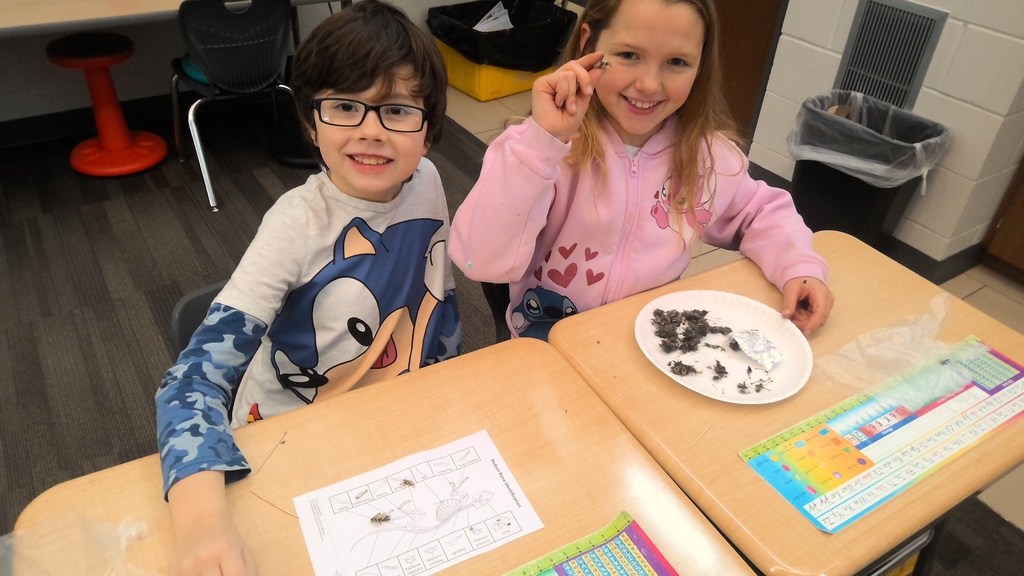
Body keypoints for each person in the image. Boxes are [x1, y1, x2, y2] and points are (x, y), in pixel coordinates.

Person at [155, 2, 460, 574]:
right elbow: (191, 383)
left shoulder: (428, 183)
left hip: (392, 422)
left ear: (430, 131)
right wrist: (203, 528)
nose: (370, 130)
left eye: (396, 110)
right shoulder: (294, 225)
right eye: (345, 106)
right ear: (310, 121)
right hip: (288, 438)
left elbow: (434, 300)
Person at [450, 0, 833, 340]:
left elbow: (760, 212)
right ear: (589, 45)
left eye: (677, 62)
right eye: (629, 54)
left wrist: (799, 267)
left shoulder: (709, 159)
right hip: (549, 349)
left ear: (701, 65)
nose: (649, 84)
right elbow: (478, 260)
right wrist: (542, 143)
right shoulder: (541, 149)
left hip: (647, 346)